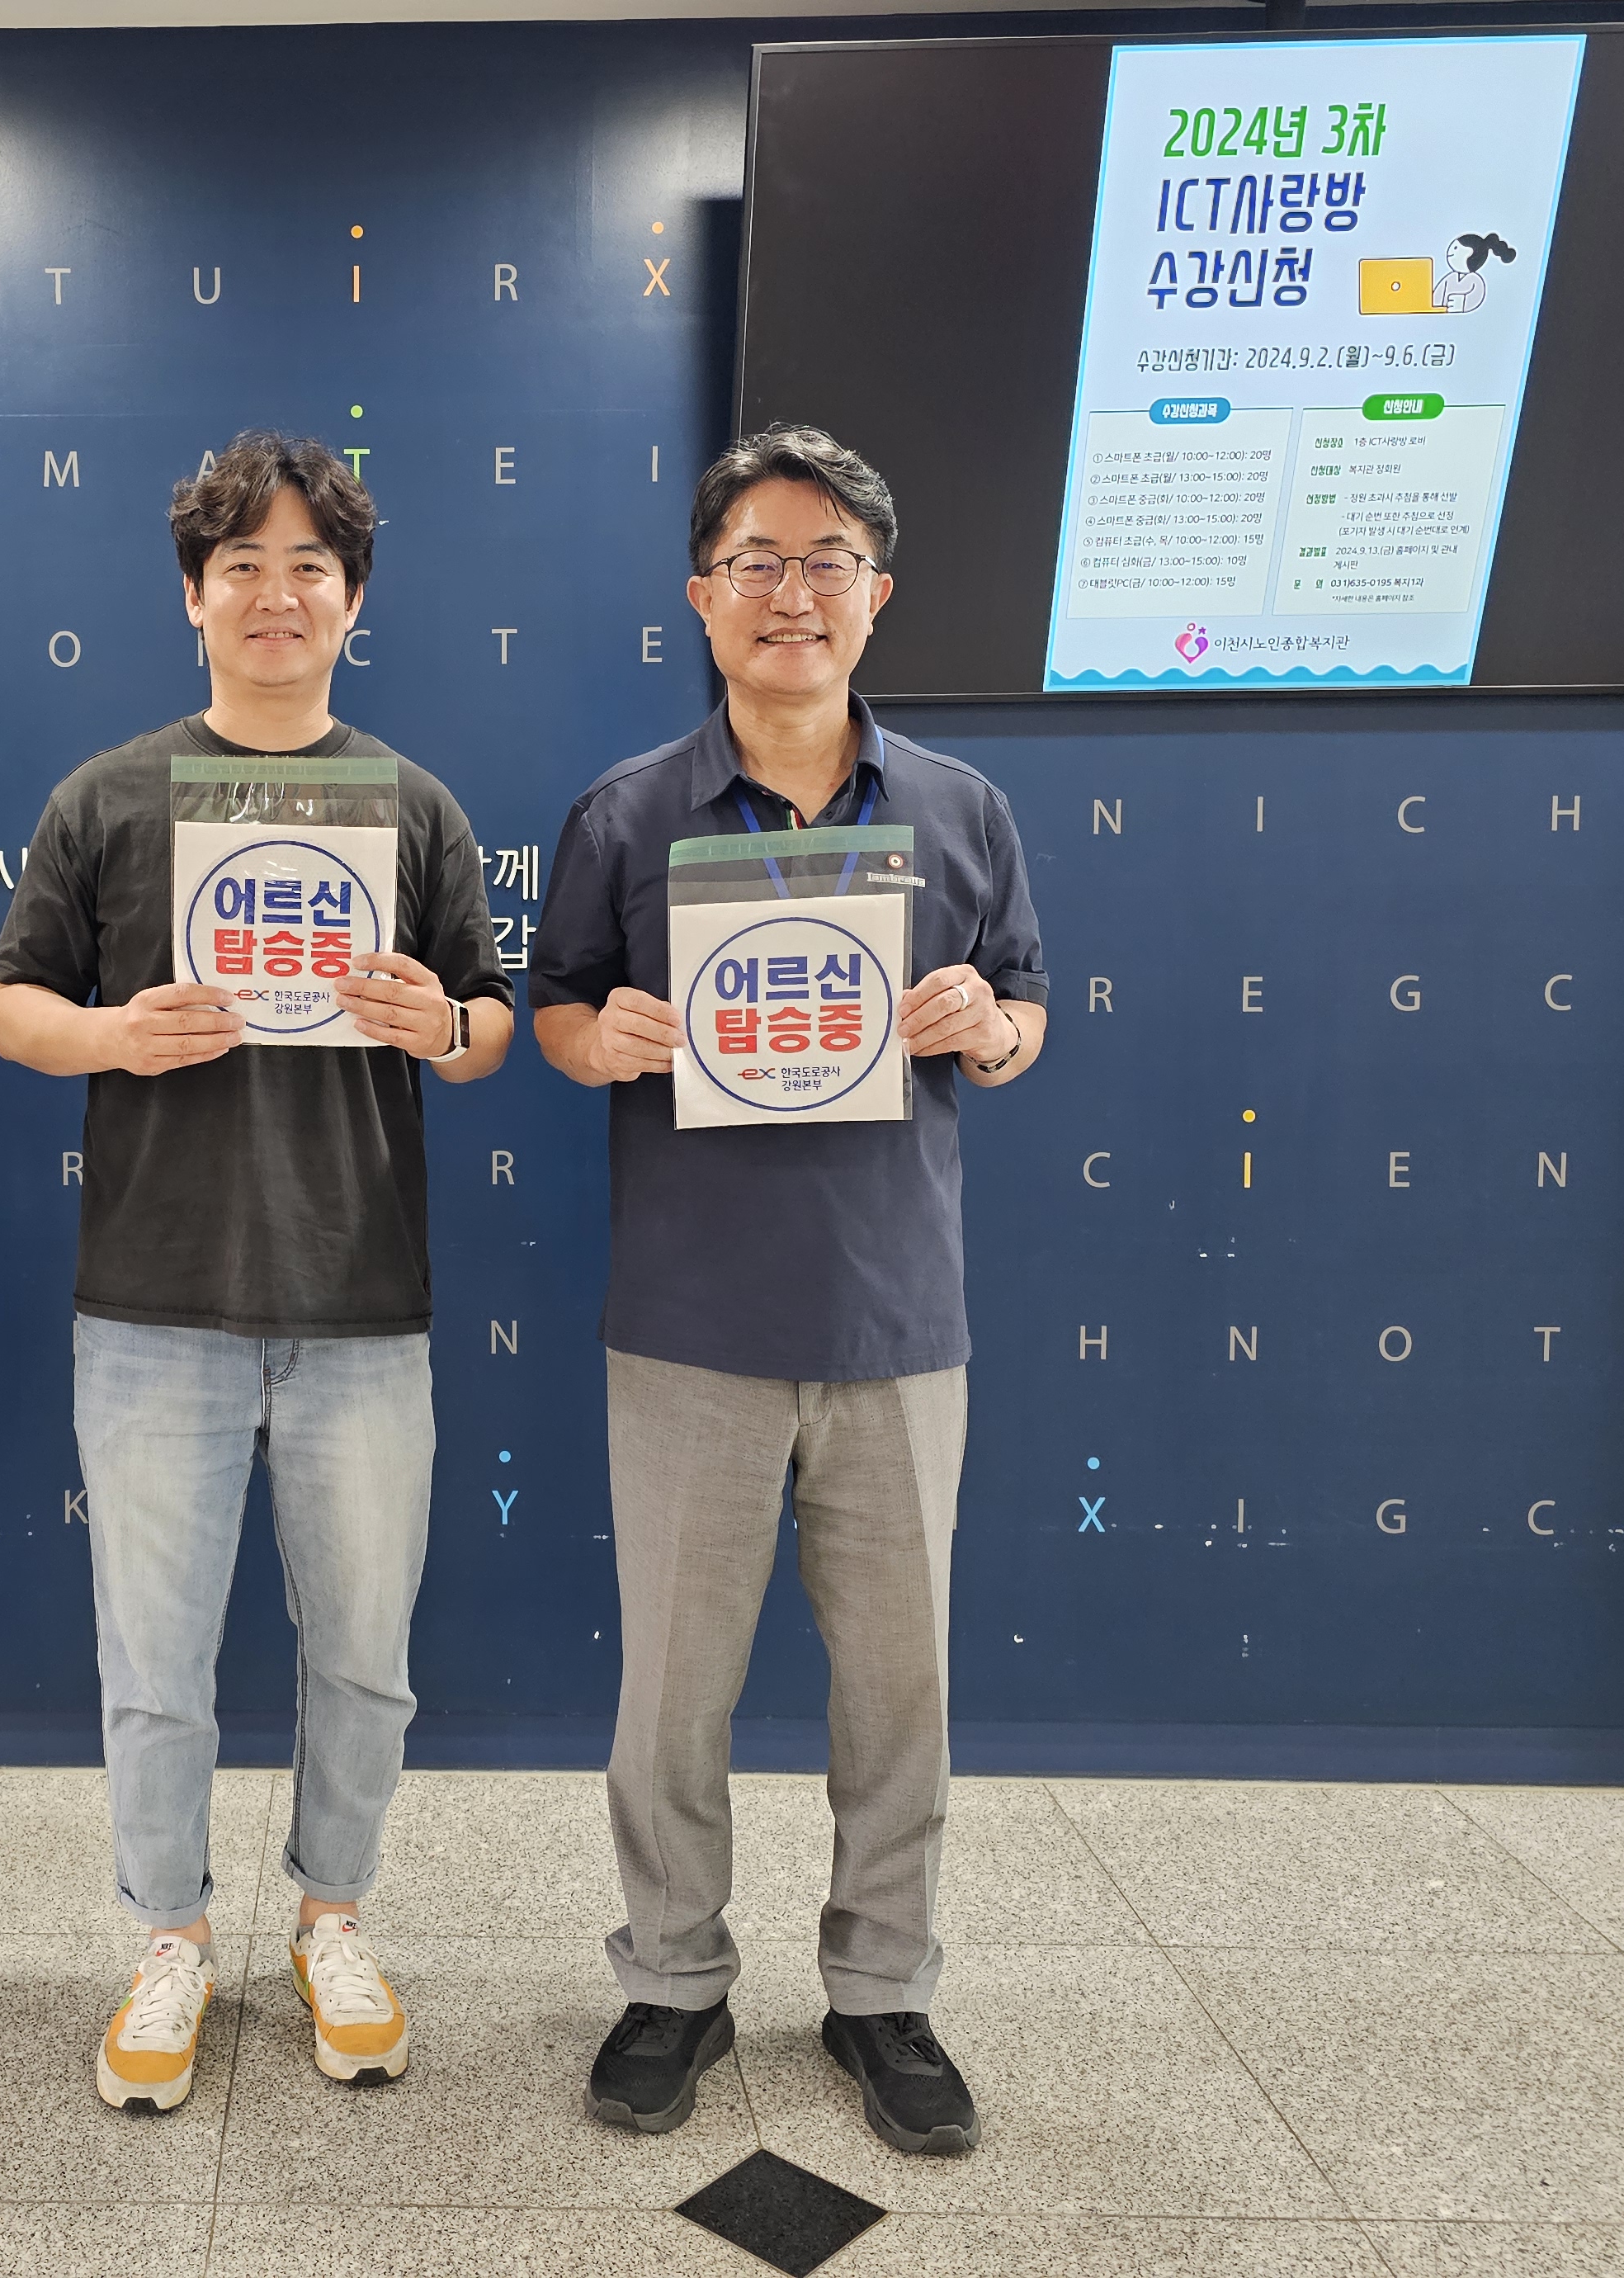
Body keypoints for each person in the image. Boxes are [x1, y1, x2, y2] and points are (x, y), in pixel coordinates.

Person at [0, 432, 514, 2115]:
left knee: (364, 1655)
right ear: (191, 598)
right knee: (153, 1665)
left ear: (352, 603)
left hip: (362, 1300)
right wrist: (111, 1038)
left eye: (308, 571)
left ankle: (330, 1920)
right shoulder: (105, 796)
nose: (275, 597)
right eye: (242, 570)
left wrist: (440, 1023)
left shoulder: (411, 803)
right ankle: (168, 1938)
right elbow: (12, 1005)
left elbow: (491, 1024)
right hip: (153, 1301)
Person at [531, 426, 1046, 2155]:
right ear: (702, 596)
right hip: (691, 1326)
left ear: (875, 595)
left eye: (828, 561)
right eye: (756, 559)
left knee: (900, 1694)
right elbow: (554, 1011)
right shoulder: (624, 813)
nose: (791, 592)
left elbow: (1026, 1011)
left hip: (897, 1326)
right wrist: (596, 1037)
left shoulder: (961, 811)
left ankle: (881, 1993)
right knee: (671, 1697)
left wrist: (989, 1025)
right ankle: (671, 1982)